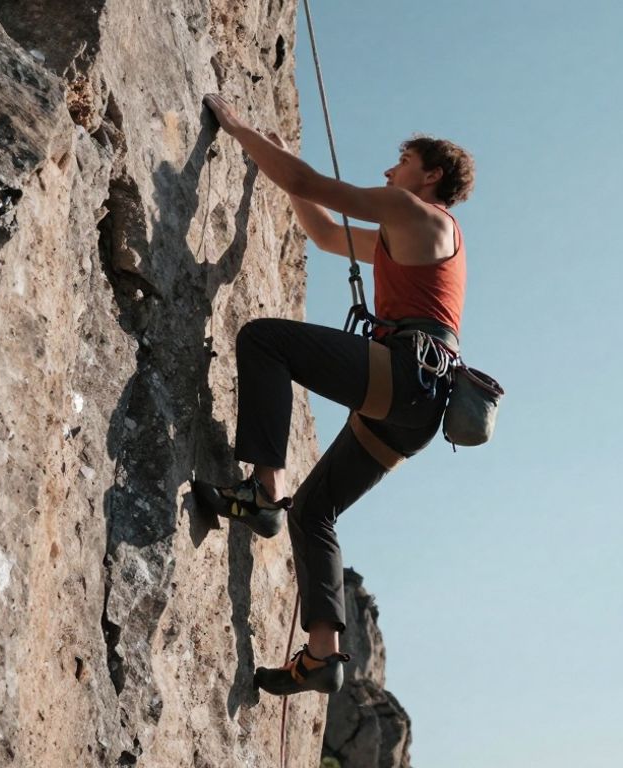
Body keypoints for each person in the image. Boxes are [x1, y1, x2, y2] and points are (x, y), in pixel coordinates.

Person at [197, 93, 474, 696]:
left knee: (265, 341)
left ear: (430, 175)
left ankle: (262, 490)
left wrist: (243, 130)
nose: (388, 171)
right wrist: (271, 170)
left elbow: (307, 181)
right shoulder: (411, 235)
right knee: (316, 509)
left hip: (404, 375)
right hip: (420, 408)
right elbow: (321, 231)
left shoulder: (415, 213)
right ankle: (323, 655)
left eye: (401, 160)